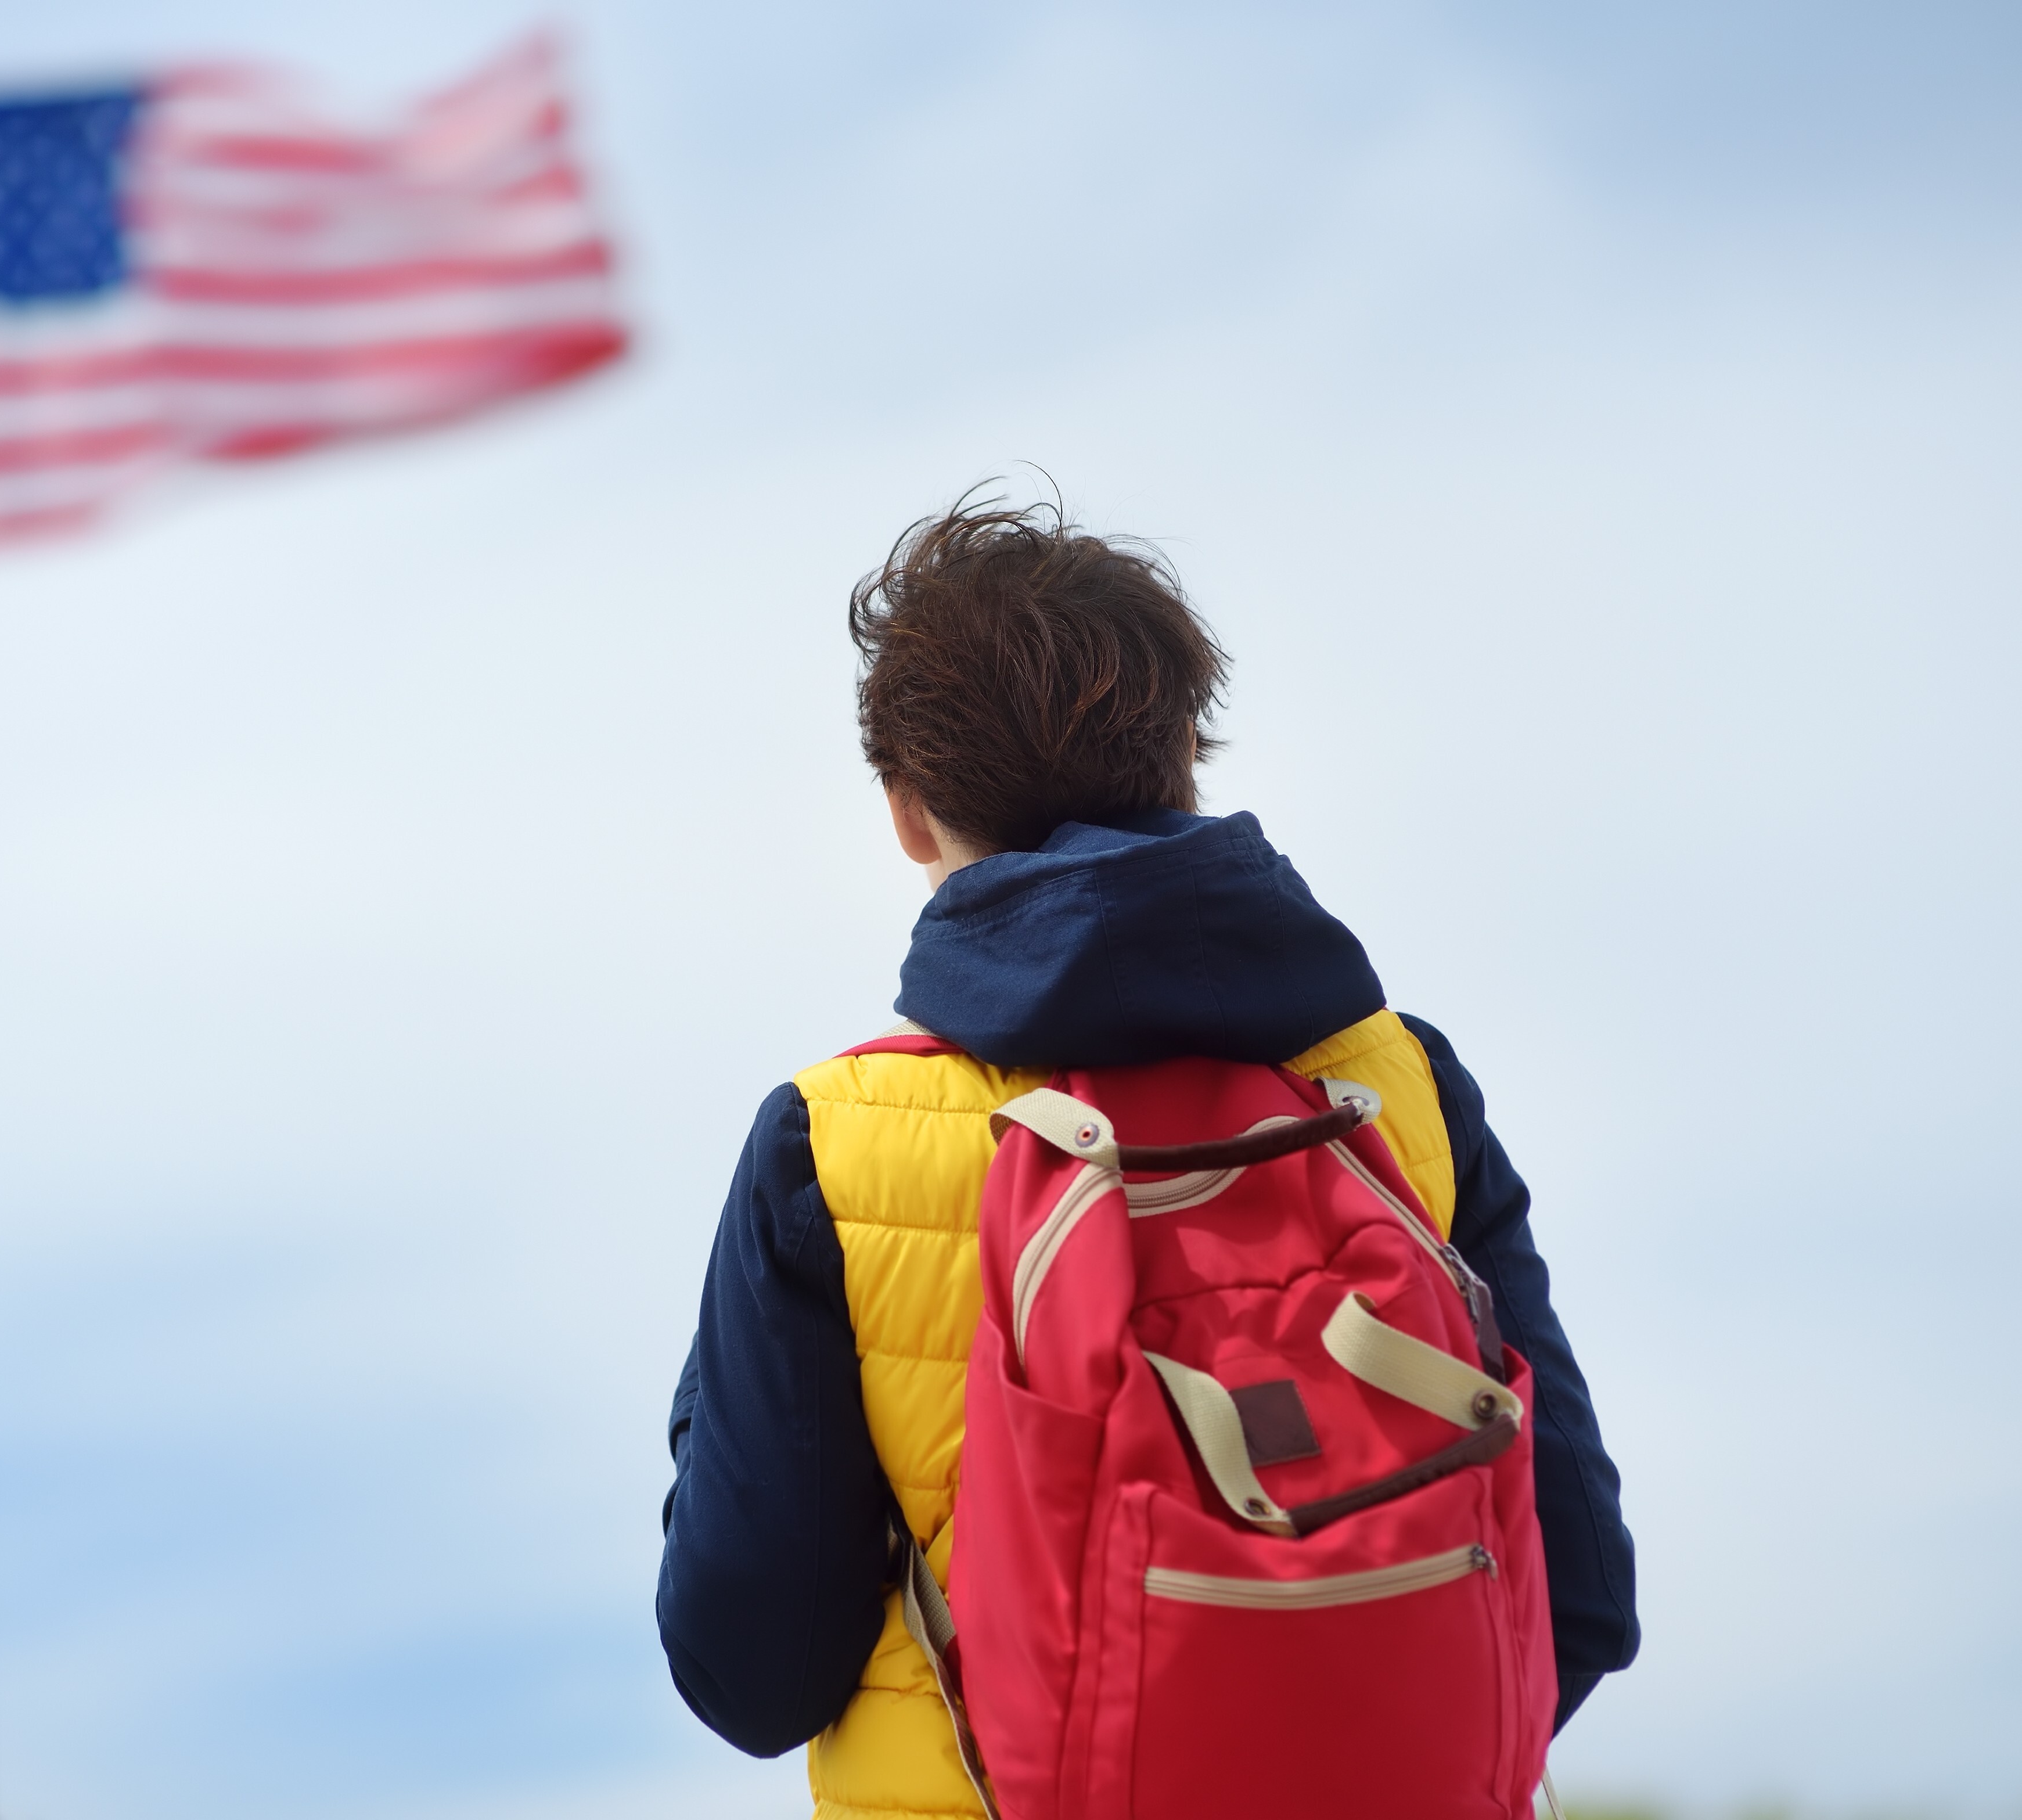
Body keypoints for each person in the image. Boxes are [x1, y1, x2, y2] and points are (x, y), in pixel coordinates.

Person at [656, 495, 1639, 1819]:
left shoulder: (827, 1146)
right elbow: (1572, 1591)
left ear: (907, 812)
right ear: (1186, 752)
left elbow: (753, 1668)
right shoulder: (1400, 1090)